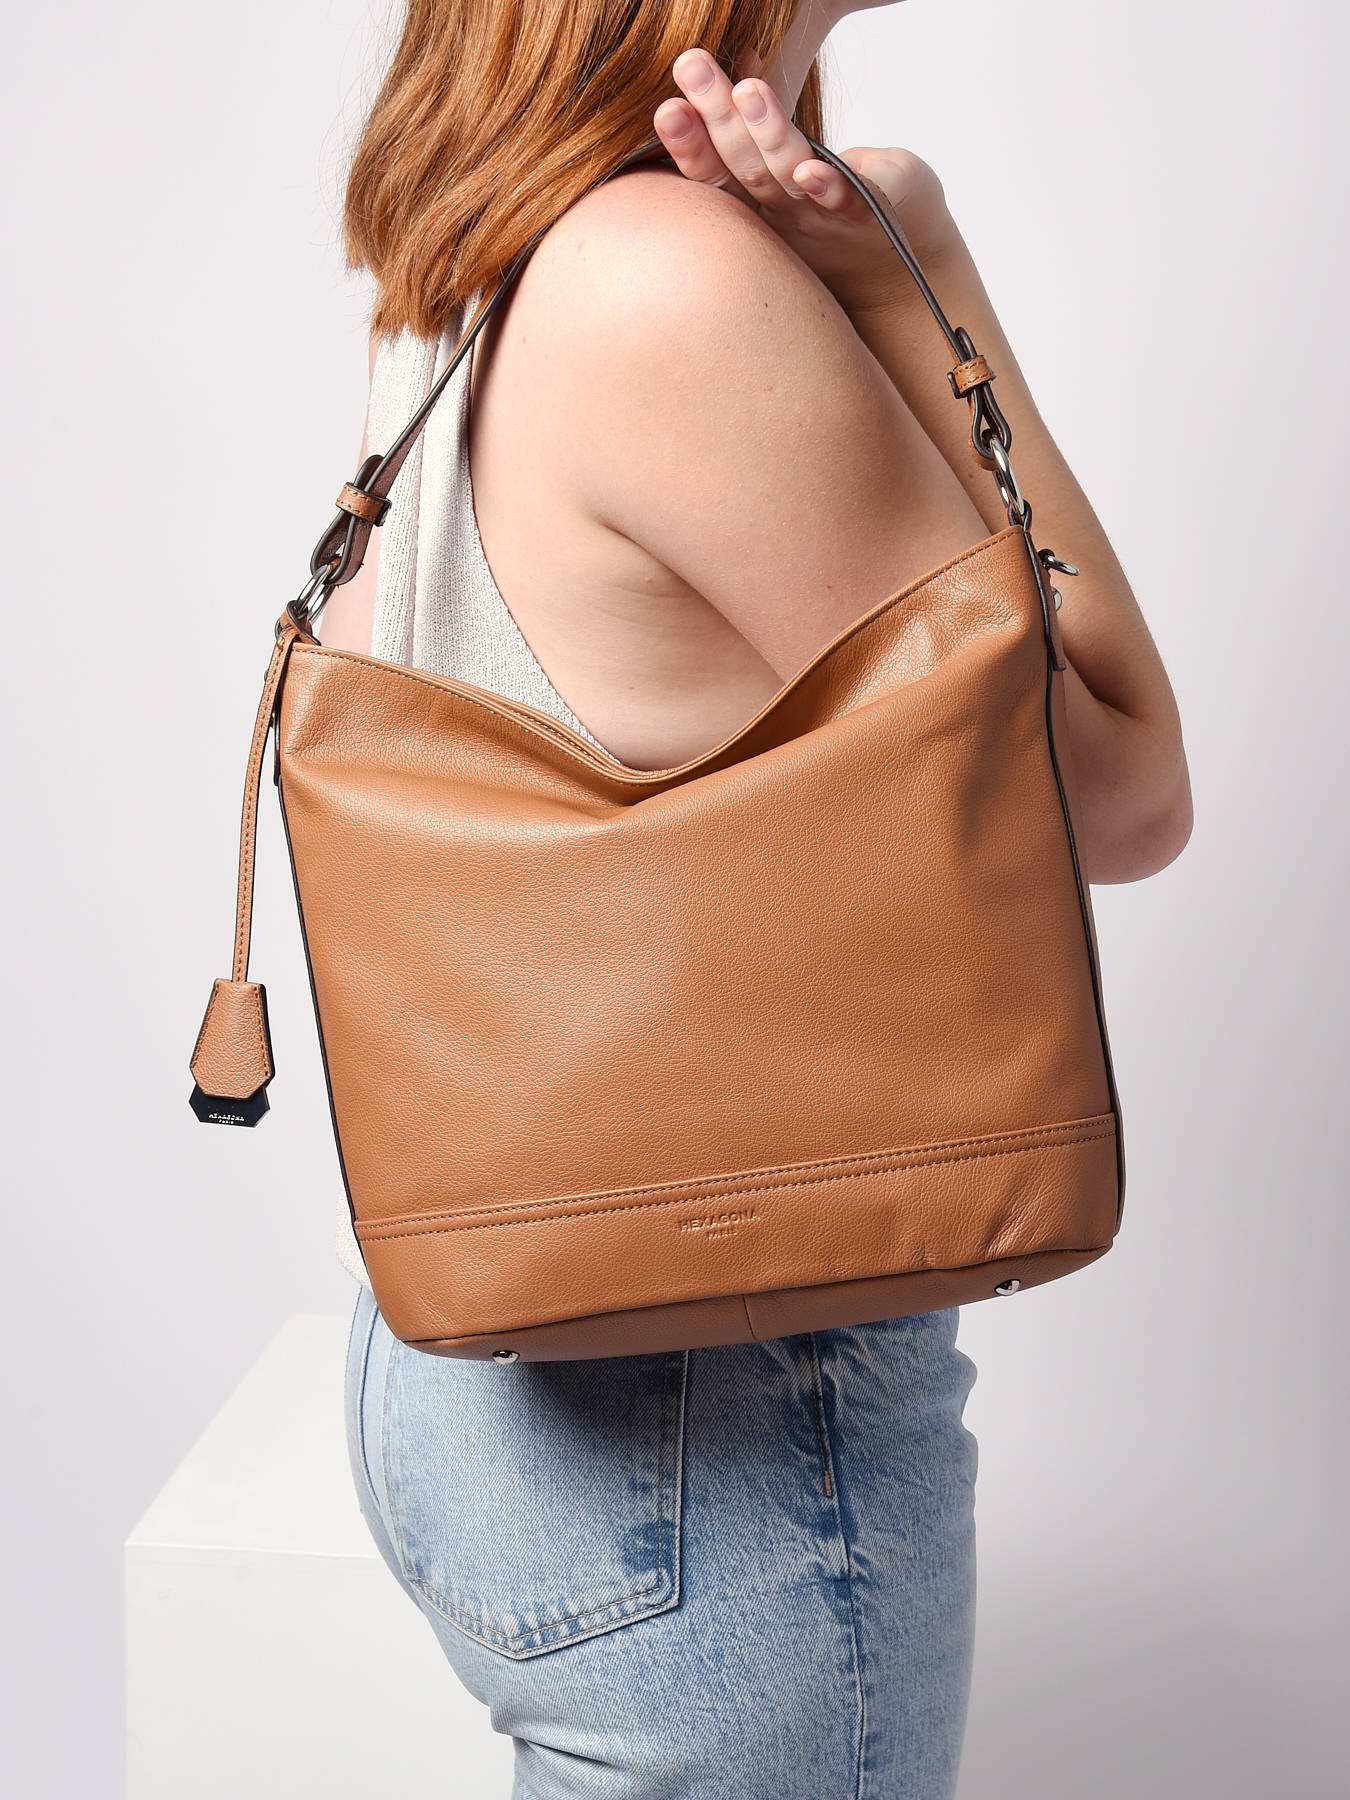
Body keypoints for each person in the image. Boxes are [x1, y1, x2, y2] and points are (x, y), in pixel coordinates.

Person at [320, 3, 1192, 1794]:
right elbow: (1117, 788)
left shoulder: (504, 248)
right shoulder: (671, 287)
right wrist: (921, 285)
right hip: (713, 1391)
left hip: (528, 1374)